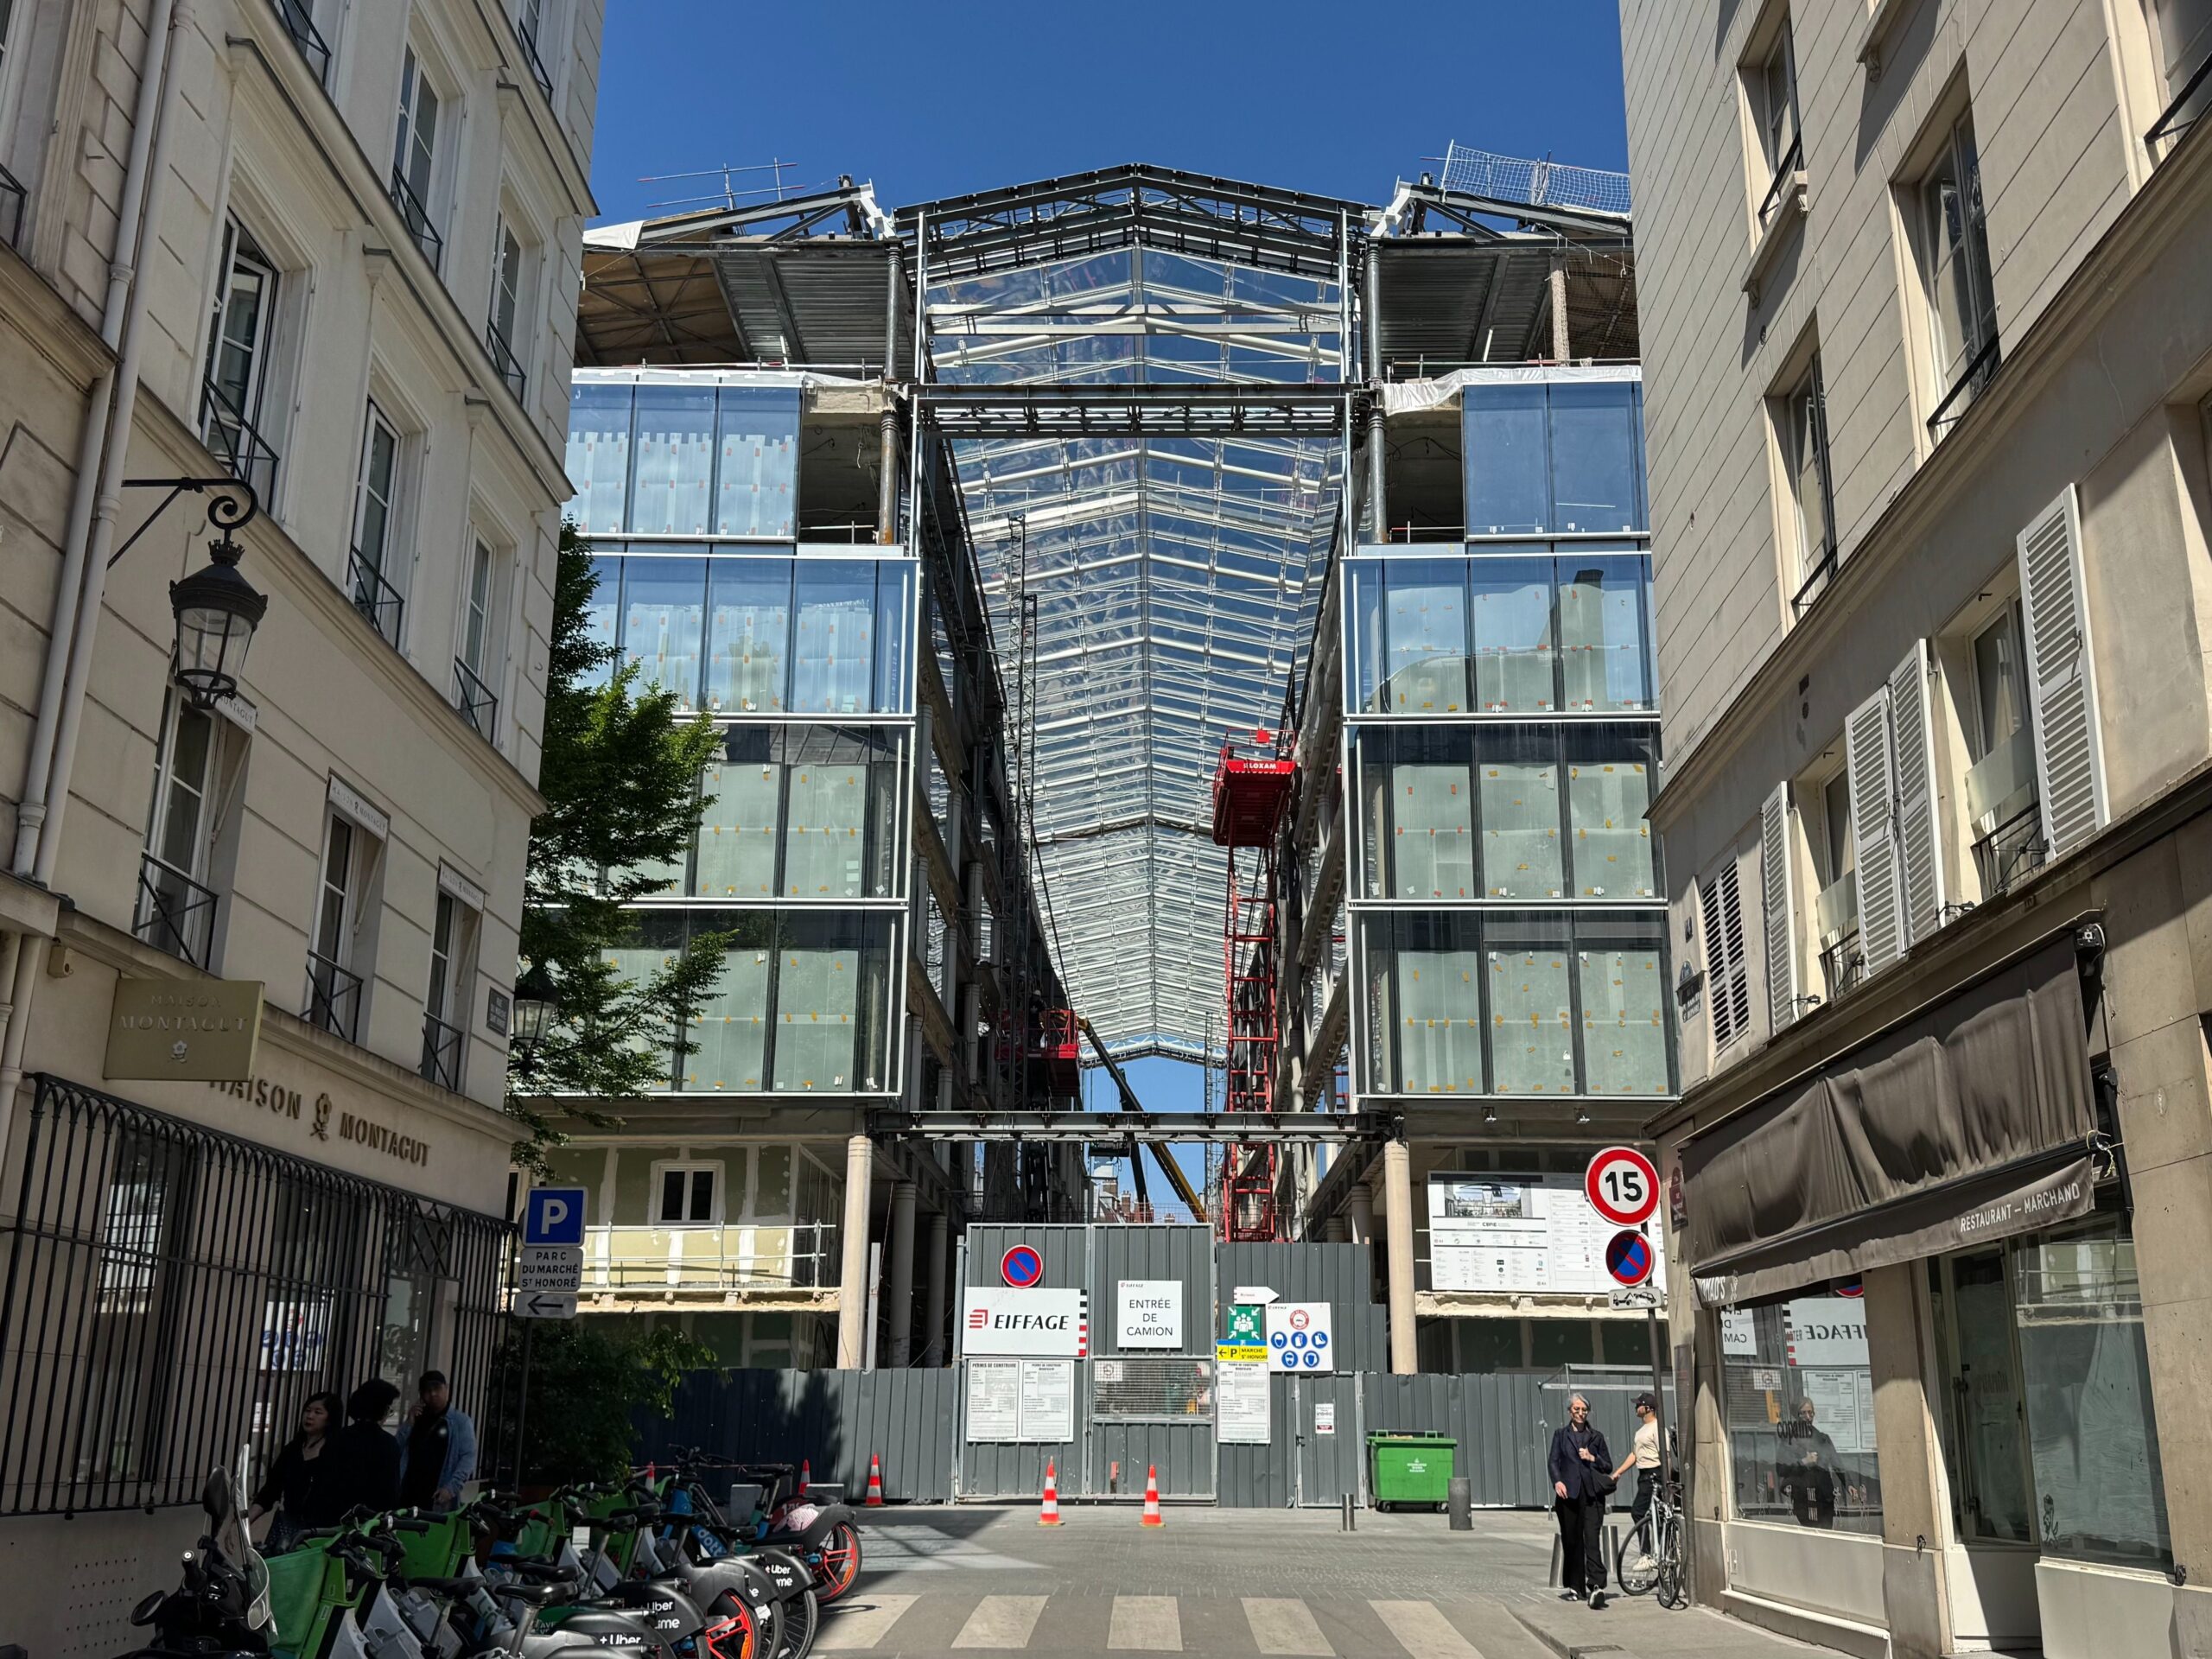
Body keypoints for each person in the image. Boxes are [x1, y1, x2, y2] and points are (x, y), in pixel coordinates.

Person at [249, 1391, 341, 1551]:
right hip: (286, 1530)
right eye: (307, 1410)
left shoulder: (336, 1452)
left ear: (329, 1419)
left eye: (318, 1412)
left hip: (319, 1534)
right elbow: (271, 1490)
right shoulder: (292, 1450)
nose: (310, 1416)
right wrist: (245, 1520)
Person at [1548, 1393, 1614, 1609]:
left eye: (1584, 1410)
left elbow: (1608, 1466)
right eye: (1576, 1409)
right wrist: (1558, 1482)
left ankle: (1596, 1585)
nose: (1580, 1413)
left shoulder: (1596, 1437)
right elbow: (1553, 1461)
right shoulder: (1560, 1435)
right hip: (1568, 1495)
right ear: (1570, 1411)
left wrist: (1592, 1458)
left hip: (1592, 1495)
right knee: (1572, 1540)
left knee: (1592, 1540)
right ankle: (1576, 1586)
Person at [397, 1370, 477, 1513]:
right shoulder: (417, 1418)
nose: (433, 1394)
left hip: (437, 1496)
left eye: (437, 1389)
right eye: (428, 1391)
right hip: (408, 1494)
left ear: (446, 1389)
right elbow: (398, 1448)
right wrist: (408, 1424)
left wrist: (451, 1488)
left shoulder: (460, 1422)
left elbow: (468, 1458)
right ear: (421, 1394)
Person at [327, 1378, 402, 1518]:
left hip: (332, 1519)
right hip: (368, 1522)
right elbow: (390, 1493)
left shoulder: (337, 1438)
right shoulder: (387, 1444)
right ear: (383, 1410)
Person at [1776, 1396, 1842, 1528]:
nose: (1808, 1417)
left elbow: (1837, 1463)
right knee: (1810, 1537)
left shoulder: (1823, 1438)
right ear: (1797, 1415)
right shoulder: (1789, 1440)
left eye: (1810, 1413)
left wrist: (1850, 1485)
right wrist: (1803, 1462)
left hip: (1825, 1497)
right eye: (1803, 1413)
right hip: (1804, 1498)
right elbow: (1781, 1469)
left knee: (1826, 1535)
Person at [1611, 1391, 1662, 1553]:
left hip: (1655, 1474)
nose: (1635, 1407)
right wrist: (1618, 1472)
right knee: (1652, 1515)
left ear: (1647, 1408)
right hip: (1644, 1475)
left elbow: (1664, 1454)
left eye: (1638, 1405)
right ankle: (1657, 1555)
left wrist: (1664, 1478)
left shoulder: (1657, 1428)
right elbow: (1635, 1454)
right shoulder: (1641, 1431)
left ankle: (1647, 1553)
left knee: (1639, 1512)